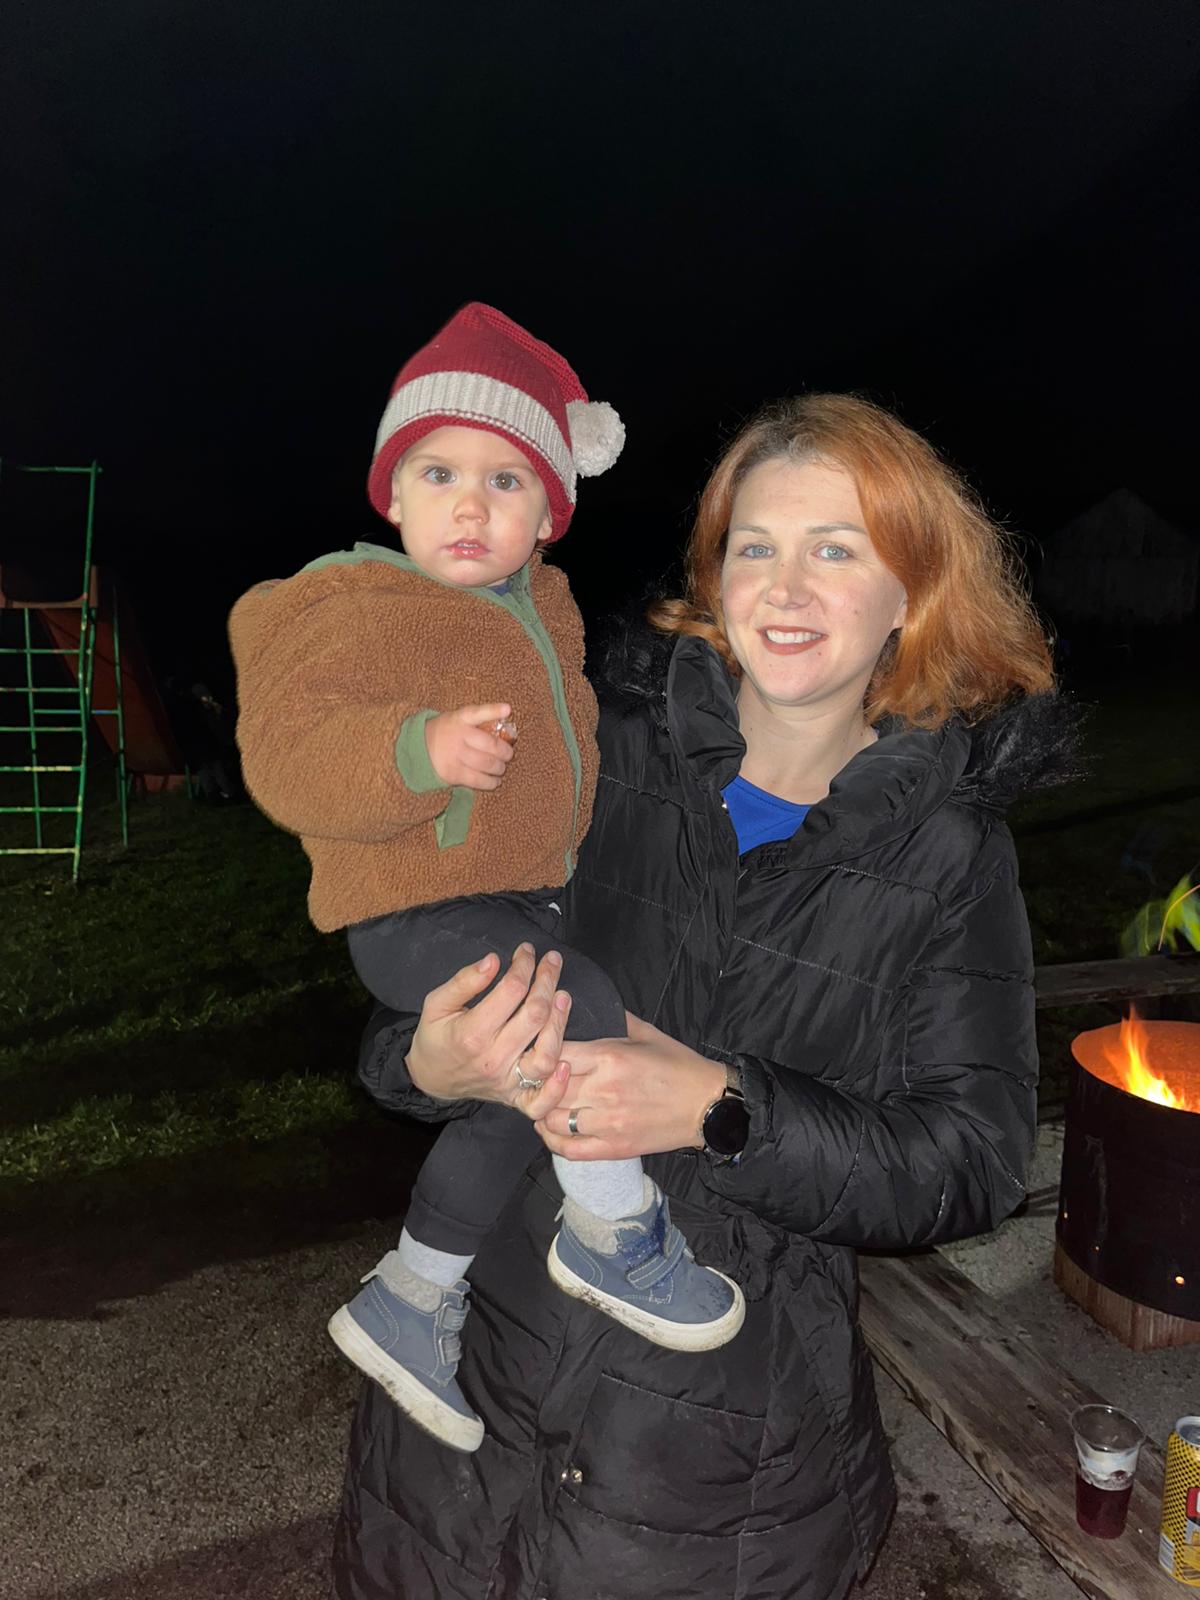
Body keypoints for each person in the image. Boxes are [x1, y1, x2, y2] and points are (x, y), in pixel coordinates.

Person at [332, 392, 1077, 1600]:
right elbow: (424, 966)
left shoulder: (949, 854)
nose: (786, 587)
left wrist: (723, 1110)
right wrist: (426, 1062)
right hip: (467, 1408)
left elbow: (973, 1162)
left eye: (837, 550)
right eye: (756, 546)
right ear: (715, 577)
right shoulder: (595, 752)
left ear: (912, 593)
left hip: (720, 1477)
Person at [228, 304, 742, 1457]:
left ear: (549, 514)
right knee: (577, 1004)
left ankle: (410, 1297)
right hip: (412, 904)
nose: (470, 503)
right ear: (392, 494)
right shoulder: (355, 604)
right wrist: (416, 750)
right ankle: (614, 1232)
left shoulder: (543, 611)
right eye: (439, 472)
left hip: (506, 899)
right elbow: (285, 754)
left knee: (519, 1089)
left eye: (506, 480)